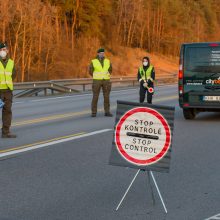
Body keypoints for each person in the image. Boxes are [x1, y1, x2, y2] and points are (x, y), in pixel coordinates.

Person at [89, 48, 113, 117]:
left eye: (103, 53)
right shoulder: (93, 61)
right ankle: (94, 112)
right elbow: (90, 70)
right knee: (95, 97)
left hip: (106, 80)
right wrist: (95, 76)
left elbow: (110, 69)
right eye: (100, 53)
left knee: (106, 97)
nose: (102, 54)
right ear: (98, 54)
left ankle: (107, 112)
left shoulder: (107, 61)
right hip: (97, 81)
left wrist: (108, 75)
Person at [0, 42, 17, 138]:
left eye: (5, 49)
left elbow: (13, 75)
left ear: (7, 51)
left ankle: (5, 132)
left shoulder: (11, 62)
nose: (3, 51)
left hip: (8, 91)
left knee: (7, 111)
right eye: (1, 50)